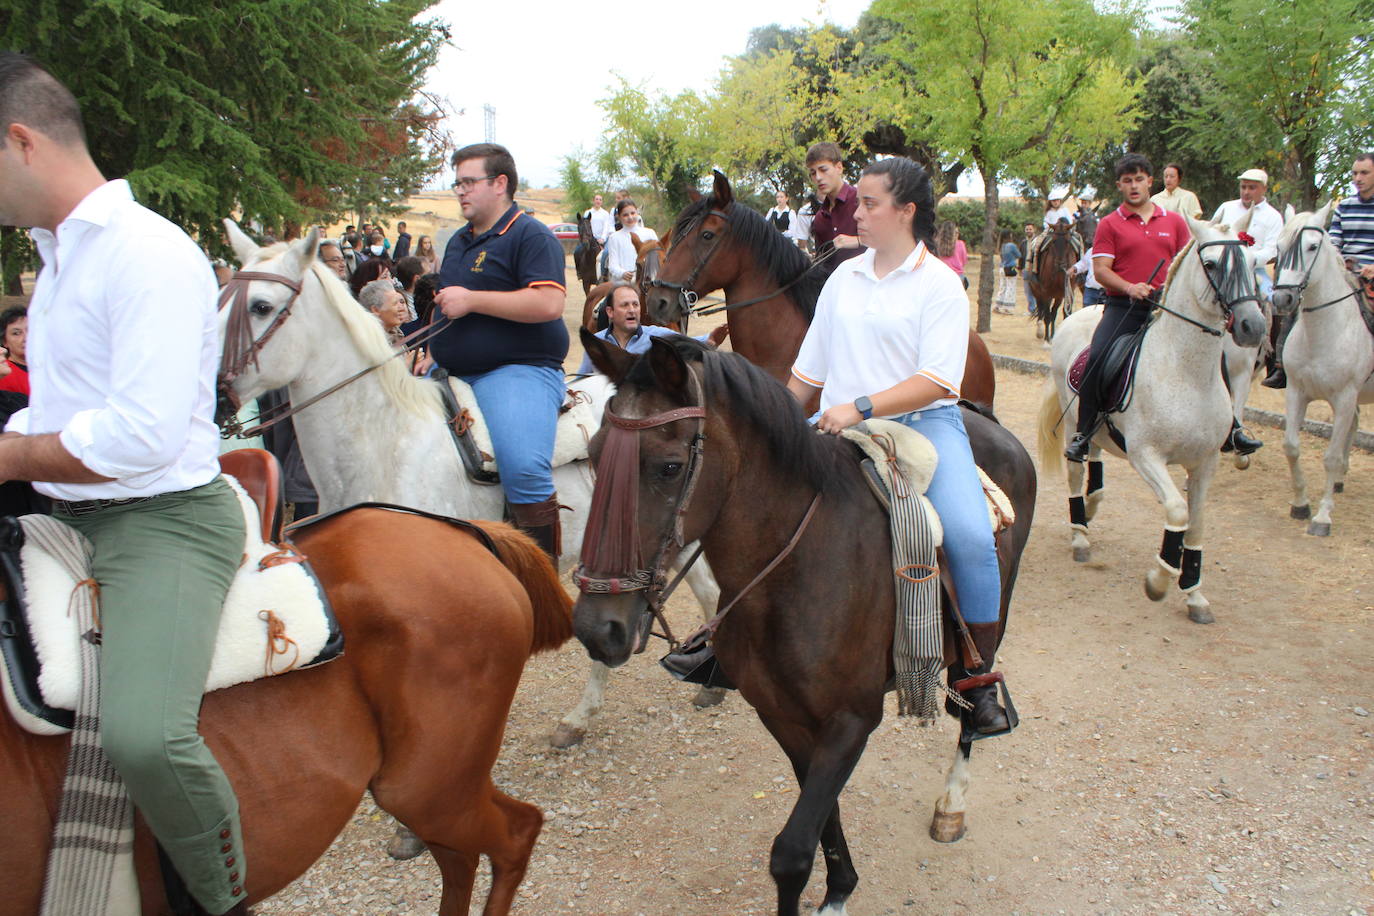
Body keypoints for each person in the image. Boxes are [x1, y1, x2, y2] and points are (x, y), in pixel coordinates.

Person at [0, 53, 248, 915]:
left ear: (19, 140)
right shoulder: (57, 255)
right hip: (64, 502)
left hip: (163, 519)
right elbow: (61, 409)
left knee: (146, 738)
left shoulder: (147, 253)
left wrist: (9, 457)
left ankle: (221, 899)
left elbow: (138, 438)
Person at [785, 156, 1011, 734]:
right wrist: (779, 424)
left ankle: (975, 681)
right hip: (839, 426)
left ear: (906, 211)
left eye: (869, 203)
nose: (856, 212)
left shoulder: (939, 284)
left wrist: (858, 406)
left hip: (922, 426)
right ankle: (727, 637)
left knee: (967, 536)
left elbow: (939, 380)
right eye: (857, 202)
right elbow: (808, 375)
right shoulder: (843, 277)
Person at [429, 143, 569, 560]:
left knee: (524, 468)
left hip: (517, 370)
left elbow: (548, 304)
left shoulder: (531, 234)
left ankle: (538, 579)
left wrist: (473, 300)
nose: (460, 191)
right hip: (450, 371)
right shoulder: (458, 241)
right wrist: (433, 349)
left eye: (468, 182)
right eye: (457, 183)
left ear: (500, 184)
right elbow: (449, 303)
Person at [1066, 153, 1223, 461]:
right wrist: (1129, 287)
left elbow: (1188, 265)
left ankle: (1231, 428)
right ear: (1119, 186)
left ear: (1150, 182)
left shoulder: (1175, 222)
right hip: (1124, 308)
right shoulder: (1110, 224)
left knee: (1216, 350)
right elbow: (1100, 271)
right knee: (1097, 356)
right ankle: (1084, 434)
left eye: (1139, 179)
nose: (1134, 186)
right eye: (1127, 181)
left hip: (1169, 312)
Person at [1268, 153, 1374, 389]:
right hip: (1345, 273)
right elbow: (1334, 240)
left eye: (1364, 173)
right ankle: (1282, 367)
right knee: (1300, 307)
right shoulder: (1344, 206)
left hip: (1371, 277)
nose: (1358, 178)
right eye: (1355, 173)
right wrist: (1339, 260)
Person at [575, 282, 726, 374]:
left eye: (635, 304)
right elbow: (582, 378)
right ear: (610, 312)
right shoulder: (597, 342)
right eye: (624, 305)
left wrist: (710, 340)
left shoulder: (656, 335)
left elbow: (686, 343)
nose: (632, 310)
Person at [1212, 168, 1281, 301]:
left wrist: (1243, 259)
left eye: (1252, 188)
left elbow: (1272, 251)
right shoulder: (1226, 208)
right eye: (1243, 187)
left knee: (1273, 300)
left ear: (1264, 189)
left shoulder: (1273, 216)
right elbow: (1213, 234)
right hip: (1221, 269)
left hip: (1255, 272)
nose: (1246, 192)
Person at [806, 142, 863, 275]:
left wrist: (859, 241)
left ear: (839, 167)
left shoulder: (861, 200)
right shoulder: (820, 218)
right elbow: (822, 263)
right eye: (813, 173)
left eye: (823, 170)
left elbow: (891, 241)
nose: (818, 177)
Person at [1027, 187, 1079, 275]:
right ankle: (1034, 267)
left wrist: (1066, 227)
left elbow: (1070, 221)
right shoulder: (1048, 212)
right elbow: (1045, 224)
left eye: (1057, 200)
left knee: (1078, 244)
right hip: (1051, 233)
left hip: (1065, 233)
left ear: (1060, 201)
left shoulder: (1065, 210)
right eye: (1053, 200)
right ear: (1050, 202)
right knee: (1036, 244)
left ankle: (1080, 270)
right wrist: (1052, 228)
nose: (1055, 202)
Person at [604, 198, 657, 282]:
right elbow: (612, 265)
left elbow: (658, 257)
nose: (630, 217)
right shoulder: (614, 238)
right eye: (625, 215)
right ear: (619, 217)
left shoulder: (650, 233)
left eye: (632, 213)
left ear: (637, 213)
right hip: (623, 282)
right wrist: (622, 273)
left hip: (647, 282)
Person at [359, 277, 408, 349]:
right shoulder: (370, 343)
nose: (402, 308)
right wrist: (408, 361)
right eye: (395, 303)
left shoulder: (396, 332)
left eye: (401, 302)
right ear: (376, 310)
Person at [934, 219, 969, 289]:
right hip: (958, 278)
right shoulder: (960, 244)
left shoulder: (936, 244)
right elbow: (964, 261)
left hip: (940, 277)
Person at [0, 306, 27, 395]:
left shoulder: (52, 366)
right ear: (5, 342)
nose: (26, 338)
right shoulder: (4, 374)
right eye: (16, 333)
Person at [995, 230, 1020, 314]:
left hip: (1002, 267)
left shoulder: (1002, 246)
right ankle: (1007, 307)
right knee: (1010, 287)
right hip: (1010, 267)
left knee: (1002, 287)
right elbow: (1019, 255)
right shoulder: (1011, 245)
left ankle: (998, 305)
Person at [1020, 223, 1037, 315]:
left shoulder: (1038, 241)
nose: (1028, 231)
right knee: (1028, 291)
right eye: (1027, 229)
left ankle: (1037, 309)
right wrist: (1020, 269)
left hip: (1035, 270)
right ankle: (1032, 309)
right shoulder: (1023, 243)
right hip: (1025, 269)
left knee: (1036, 290)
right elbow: (1021, 257)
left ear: (1034, 230)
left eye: (1030, 229)